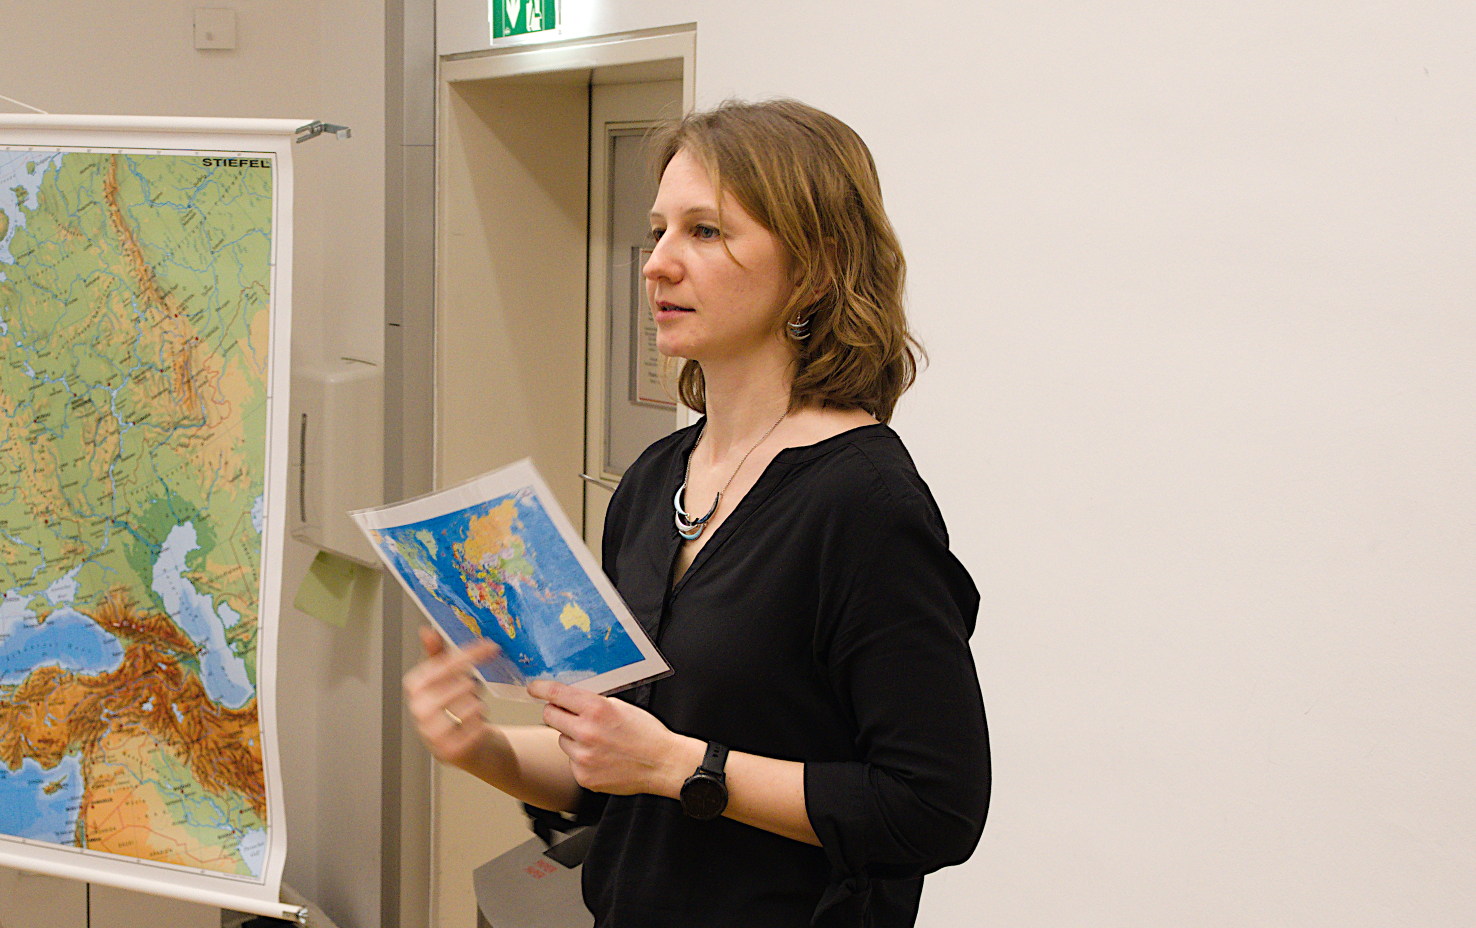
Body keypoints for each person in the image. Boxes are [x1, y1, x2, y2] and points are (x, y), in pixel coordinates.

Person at [403, 99, 990, 927]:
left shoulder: (864, 505)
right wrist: (482, 747)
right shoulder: (654, 482)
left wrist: (683, 766)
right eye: (658, 232)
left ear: (816, 270)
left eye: (705, 232)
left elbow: (933, 808)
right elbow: (618, 773)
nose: (656, 264)